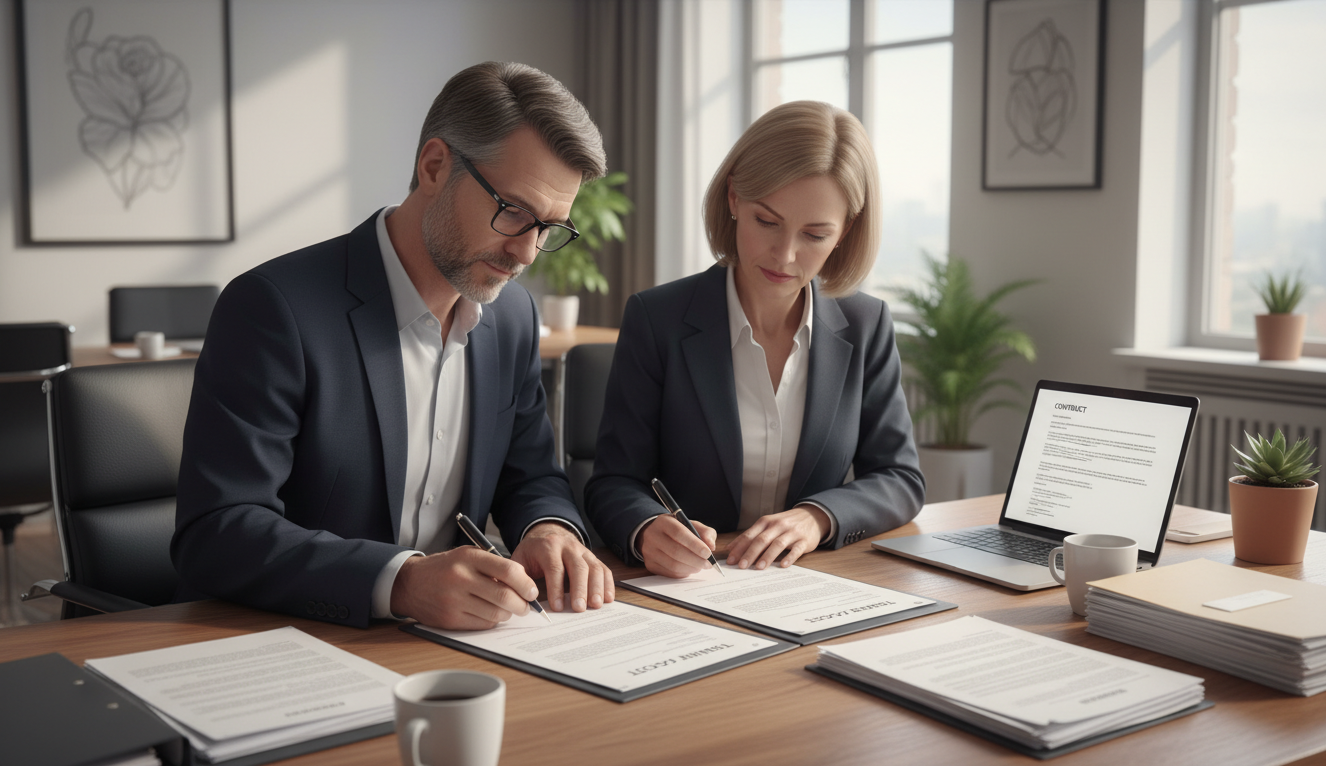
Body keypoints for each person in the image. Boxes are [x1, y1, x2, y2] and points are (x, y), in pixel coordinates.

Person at [172, 62, 615, 629]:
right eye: (514, 212)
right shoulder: (274, 309)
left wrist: (546, 529)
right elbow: (217, 532)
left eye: (549, 227)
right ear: (434, 166)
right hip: (290, 639)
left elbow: (529, 475)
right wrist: (399, 581)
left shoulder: (513, 319)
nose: (528, 253)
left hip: (451, 645)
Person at [585, 101, 924, 578]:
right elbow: (613, 483)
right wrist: (646, 527)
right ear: (733, 200)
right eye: (767, 221)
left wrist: (817, 518)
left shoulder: (867, 324)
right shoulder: (656, 318)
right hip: (690, 587)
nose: (785, 255)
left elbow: (900, 478)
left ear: (844, 232)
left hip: (810, 586)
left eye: (814, 234)